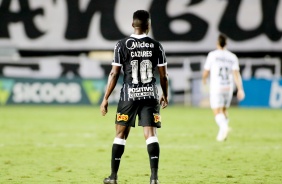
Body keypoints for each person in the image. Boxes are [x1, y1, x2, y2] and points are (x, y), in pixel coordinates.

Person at [100, 10, 169, 184]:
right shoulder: (156, 46)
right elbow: (163, 76)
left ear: (133, 25)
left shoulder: (121, 45)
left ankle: (113, 177)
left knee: (120, 134)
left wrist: (105, 98)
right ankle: (154, 178)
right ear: (149, 26)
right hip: (150, 95)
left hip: (129, 95)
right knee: (151, 135)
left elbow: (114, 74)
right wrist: (165, 95)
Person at [202, 33, 245, 142]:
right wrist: (240, 88)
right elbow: (236, 74)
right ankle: (222, 133)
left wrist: (204, 80)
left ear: (217, 43)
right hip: (228, 87)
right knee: (224, 110)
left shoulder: (212, 55)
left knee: (216, 111)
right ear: (226, 44)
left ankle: (224, 128)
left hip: (217, 87)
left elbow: (206, 71)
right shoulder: (232, 57)